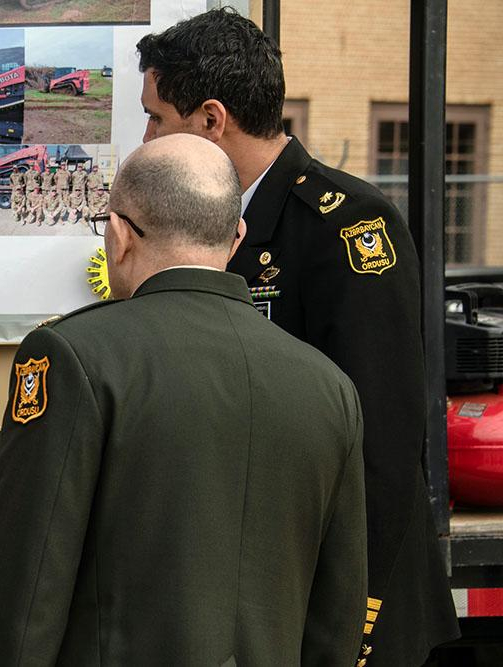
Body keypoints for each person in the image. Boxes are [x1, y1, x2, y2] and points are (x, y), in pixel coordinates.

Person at [136, 10, 458, 665]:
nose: (146, 140)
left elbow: (384, 441)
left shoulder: (346, 228)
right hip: (269, 588)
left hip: (343, 607)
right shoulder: (216, 222)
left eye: (156, 118)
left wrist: (351, 614)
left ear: (210, 120)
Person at [0, 134, 367, 666]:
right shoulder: (329, 386)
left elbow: (28, 587)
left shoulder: (73, 357)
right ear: (236, 239)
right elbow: (337, 615)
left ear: (117, 235)